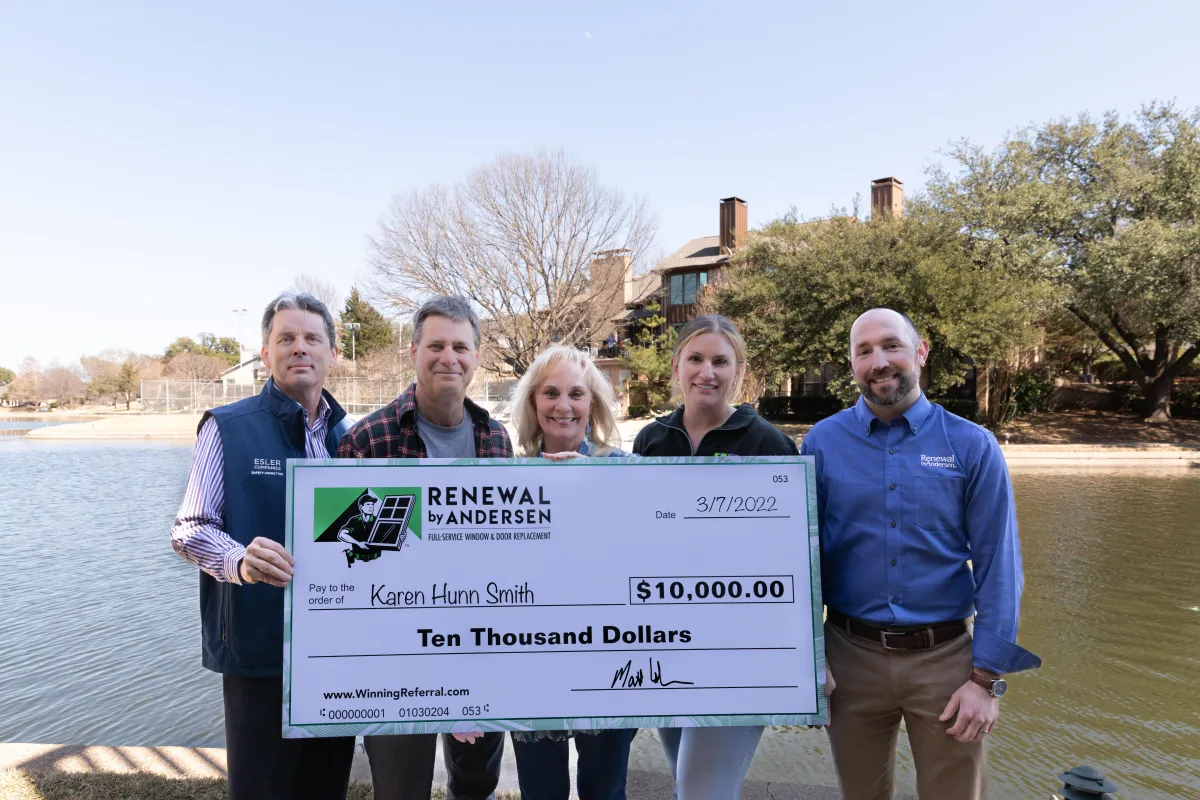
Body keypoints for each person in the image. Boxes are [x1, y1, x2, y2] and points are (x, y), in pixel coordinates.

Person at [800, 308, 1041, 800]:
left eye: (891, 345)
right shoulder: (823, 442)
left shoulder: (972, 446)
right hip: (848, 657)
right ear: (852, 365)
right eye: (864, 351)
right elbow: (802, 560)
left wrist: (986, 680)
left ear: (921, 352)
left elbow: (999, 567)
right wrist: (808, 656)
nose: (879, 361)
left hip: (948, 663)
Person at [170, 292, 354, 800]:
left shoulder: (351, 437)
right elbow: (189, 528)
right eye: (286, 338)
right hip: (258, 650)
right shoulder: (226, 427)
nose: (300, 348)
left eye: (312, 338)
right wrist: (239, 561)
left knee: (326, 789)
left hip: (336, 654)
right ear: (265, 352)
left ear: (333, 353)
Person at [336, 295, 511, 800]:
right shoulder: (366, 442)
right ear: (414, 352)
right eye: (436, 346)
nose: (448, 357)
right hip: (392, 656)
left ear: (476, 357)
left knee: (476, 785)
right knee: (400, 787)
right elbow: (344, 562)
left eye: (460, 347)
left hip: (480, 646)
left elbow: (510, 554)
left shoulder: (496, 440)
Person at [632, 315, 798, 800]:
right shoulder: (651, 441)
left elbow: (793, 560)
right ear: (676, 366)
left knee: (699, 790)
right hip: (665, 643)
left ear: (738, 371)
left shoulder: (769, 444)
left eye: (721, 361)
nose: (707, 372)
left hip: (738, 650)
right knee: (686, 779)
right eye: (696, 359)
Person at [507, 344, 637, 800]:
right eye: (551, 393)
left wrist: (598, 487)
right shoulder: (506, 477)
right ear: (532, 402)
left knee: (605, 790)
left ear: (593, 403)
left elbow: (663, 543)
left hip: (610, 660)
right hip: (530, 666)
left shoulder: (629, 471)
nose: (563, 405)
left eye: (576, 394)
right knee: (541, 791)